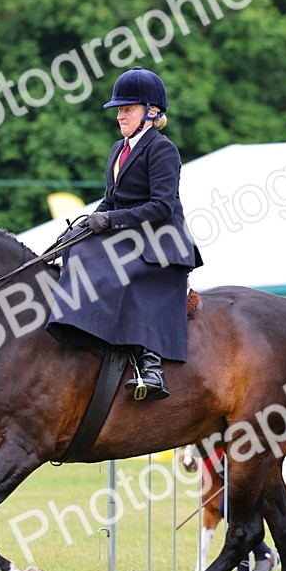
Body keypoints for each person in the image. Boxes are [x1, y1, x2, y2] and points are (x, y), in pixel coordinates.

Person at [46, 67, 202, 400]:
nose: (120, 116)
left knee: (109, 263)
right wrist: (88, 223)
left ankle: (151, 365)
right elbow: (110, 199)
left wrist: (112, 221)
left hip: (161, 240)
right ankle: (87, 328)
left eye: (127, 109)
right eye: (119, 110)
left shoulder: (162, 150)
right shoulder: (120, 148)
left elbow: (161, 206)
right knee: (77, 248)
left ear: (152, 112)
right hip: (129, 232)